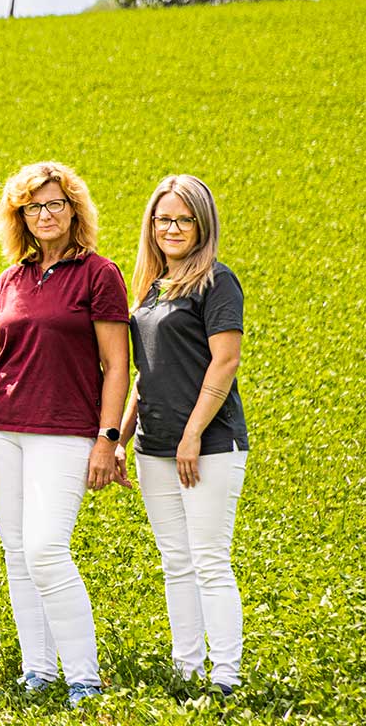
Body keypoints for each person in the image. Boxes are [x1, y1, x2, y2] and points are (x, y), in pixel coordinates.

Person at [0, 161, 131, 707]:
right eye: (33, 206)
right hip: (5, 428)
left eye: (56, 203)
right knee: (16, 553)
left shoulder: (99, 275)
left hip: (65, 432)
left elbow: (116, 365)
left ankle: (83, 675)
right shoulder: (11, 279)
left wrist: (108, 437)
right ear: (20, 217)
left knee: (46, 549)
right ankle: (38, 670)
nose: (45, 214)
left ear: (74, 210)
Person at [117, 174, 248, 697]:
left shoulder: (216, 282)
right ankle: (186, 668)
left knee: (210, 560)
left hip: (209, 448)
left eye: (183, 219)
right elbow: (143, 372)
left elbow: (225, 362)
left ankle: (226, 675)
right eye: (163, 218)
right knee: (176, 562)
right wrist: (120, 439)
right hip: (155, 448)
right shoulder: (150, 289)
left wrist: (193, 434)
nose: (172, 228)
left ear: (202, 224)